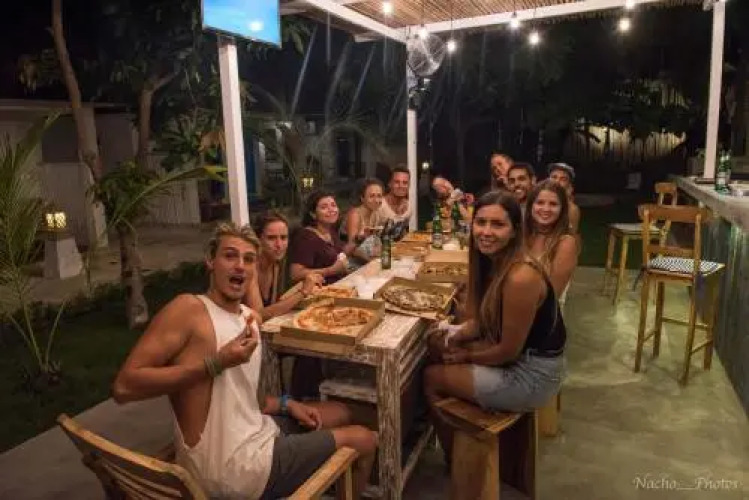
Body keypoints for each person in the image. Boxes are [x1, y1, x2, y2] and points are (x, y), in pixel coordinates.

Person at [112, 222, 377, 500]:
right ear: (210, 260)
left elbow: (242, 397)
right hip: (231, 469)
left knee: (341, 411)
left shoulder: (248, 318)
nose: (240, 266)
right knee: (364, 439)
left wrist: (288, 404)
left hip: (256, 433)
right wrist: (216, 363)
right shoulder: (190, 309)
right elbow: (124, 387)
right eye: (230, 256)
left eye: (249, 259)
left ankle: (324, 475)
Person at [423, 191, 566, 466]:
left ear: (515, 231)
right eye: (481, 222)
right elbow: (485, 320)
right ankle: (440, 429)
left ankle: (456, 462)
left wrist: (465, 355)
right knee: (435, 347)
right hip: (516, 357)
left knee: (430, 377)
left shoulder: (521, 277)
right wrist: (457, 333)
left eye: (497, 224)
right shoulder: (496, 261)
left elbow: (507, 352)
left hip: (532, 374)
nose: (486, 232)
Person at [244, 210, 324, 321]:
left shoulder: (276, 263)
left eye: (283, 237)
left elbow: (274, 306)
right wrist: (303, 292)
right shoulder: (249, 268)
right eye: (271, 238)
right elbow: (260, 315)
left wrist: (305, 283)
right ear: (258, 239)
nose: (279, 245)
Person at [524, 180, 578, 307]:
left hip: (543, 312)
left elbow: (552, 295)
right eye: (540, 203)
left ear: (562, 210)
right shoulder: (522, 236)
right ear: (531, 206)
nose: (546, 209)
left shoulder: (566, 243)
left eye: (553, 204)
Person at [289, 190, 349, 286]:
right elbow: (295, 274)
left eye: (333, 205)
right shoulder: (306, 237)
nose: (331, 209)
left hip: (339, 286)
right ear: (313, 214)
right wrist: (331, 270)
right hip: (319, 291)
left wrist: (359, 240)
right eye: (324, 207)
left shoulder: (330, 231)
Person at [342, 178, 387, 266]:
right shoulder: (355, 214)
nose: (376, 200)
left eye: (379, 196)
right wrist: (373, 260)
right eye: (372, 196)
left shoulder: (375, 213)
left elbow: (375, 243)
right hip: (349, 263)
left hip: (366, 261)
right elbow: (352, 248)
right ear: (362, 198)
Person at [547, 162, 581, 234]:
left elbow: (571, 235)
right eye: (554, 177)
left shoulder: (572, 209)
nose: (557, 181)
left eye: (563, 179)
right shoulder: (537, 200)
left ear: (569, 185)